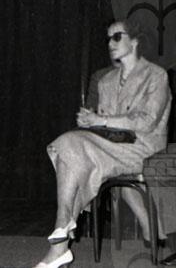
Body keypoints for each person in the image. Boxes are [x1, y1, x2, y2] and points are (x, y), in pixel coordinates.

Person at [34, 19, 172, 268]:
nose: (110, 43)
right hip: (112, 149)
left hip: (144, 149)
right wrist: (90, 122)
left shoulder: (156, 75)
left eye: (117, 37)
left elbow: (147, 122)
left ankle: (62, 231)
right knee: (71, 148)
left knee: (71, 147)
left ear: (135, 41)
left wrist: (102, 120)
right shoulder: (106, 81)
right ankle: (61, 233)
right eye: (108, 38)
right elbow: (107, 129)